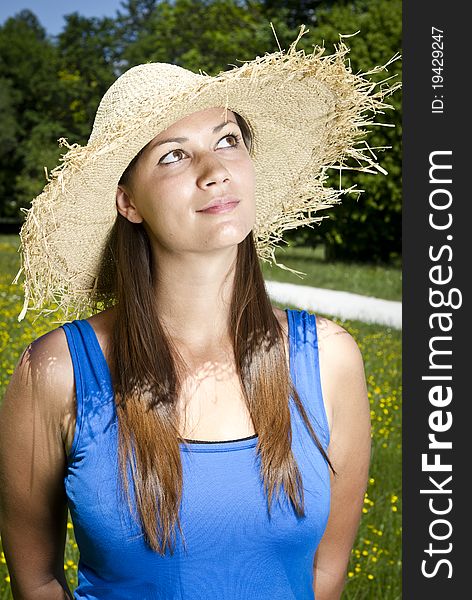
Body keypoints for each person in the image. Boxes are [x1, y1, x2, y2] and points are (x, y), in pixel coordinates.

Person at [0, 26, 397, 600]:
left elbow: (324, 578)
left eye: (228, 139)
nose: (214, 169)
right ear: (128, 202)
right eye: (174, 155)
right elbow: (35, 581)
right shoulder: (55, 371)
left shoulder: (330, 361)